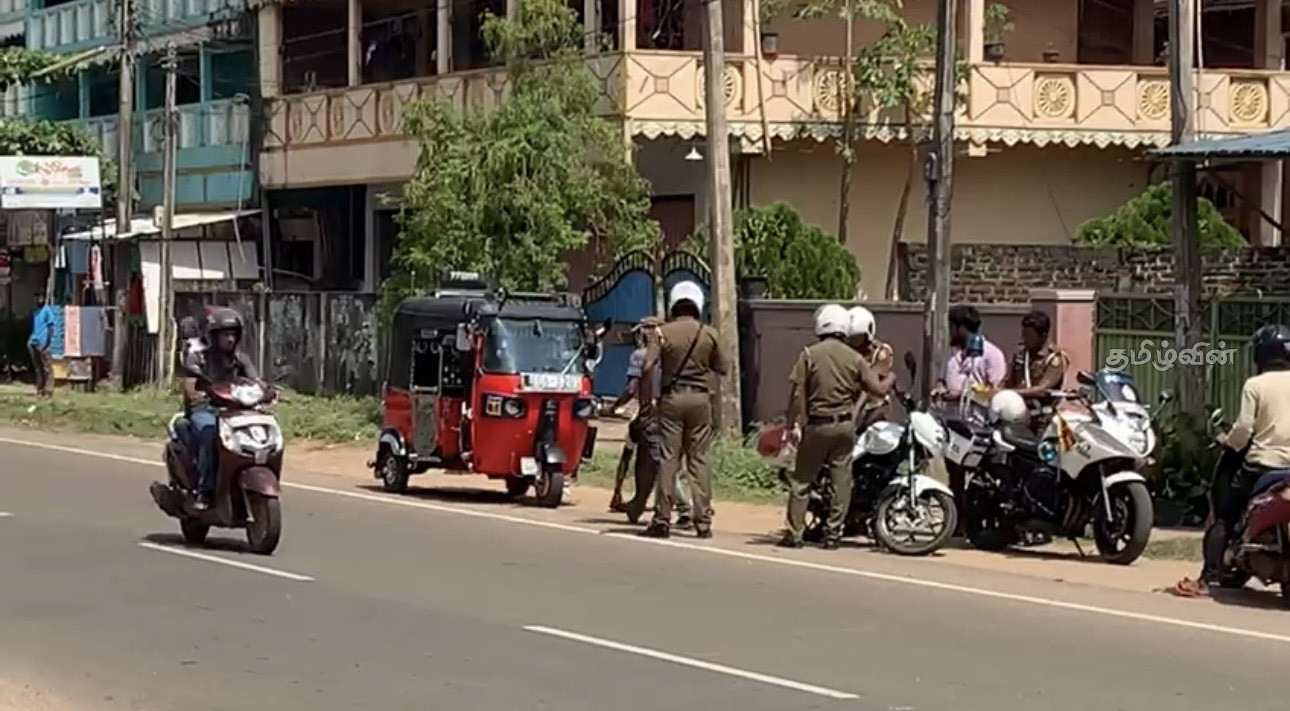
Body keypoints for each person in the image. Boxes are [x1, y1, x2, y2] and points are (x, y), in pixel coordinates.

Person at [1179, 324, 1290, 594]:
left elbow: (1243, 431)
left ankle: (1208, 578)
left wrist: (1228, 442)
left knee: (1224, 518)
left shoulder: (1255, 385)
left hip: (1263, 464)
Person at [778, 304, 893, 550]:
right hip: (844, 427)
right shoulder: (855, 358)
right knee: (841, 480)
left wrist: (791, 424)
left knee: (802, 481)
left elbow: (797, 395)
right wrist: (891, 379)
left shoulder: (809, 355)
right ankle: (833, 535)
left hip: (817, 426)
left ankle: (794, 534)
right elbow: (877, 389)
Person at [639, 281, 729, 540]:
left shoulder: (662, 333)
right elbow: (723, 368)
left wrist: (647, 398)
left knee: (669, 459)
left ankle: (661, 520)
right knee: (699, 460)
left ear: (674, 304)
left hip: (672, 400)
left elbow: (647, 367)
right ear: (698, 305)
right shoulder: (709, 333)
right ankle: (703, 522)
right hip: (700, 400)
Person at [608, 318, 694, 525]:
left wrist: (613, 407)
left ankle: (678, 508)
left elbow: (632, 388)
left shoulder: (640, 356)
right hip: (677, 411)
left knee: (649, 462)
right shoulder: (676, 354)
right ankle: (648, 505)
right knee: (670, 460)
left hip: (650, 416)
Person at [181, 308, 259, 510]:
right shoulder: (198, 359)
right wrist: (199, 393)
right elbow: (190, 386)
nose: (230, 339)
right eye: (225, 334)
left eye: (233, 334)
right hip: (205, 410)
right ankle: (205, 491)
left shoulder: (241, 360)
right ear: (213, 336)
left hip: (234, 410)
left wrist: (266, 391)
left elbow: (256, 381)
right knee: (209, 434)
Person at [1003, 310, 1070, 435]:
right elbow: (1007, 382)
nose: (1024, 339)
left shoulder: (1054, 359)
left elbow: (1041, 390)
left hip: (1043, 421)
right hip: (1017, 418)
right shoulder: (1020, 357)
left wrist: (1008, 393)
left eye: (1029, 336)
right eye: (1024, 334)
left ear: (1043, 336)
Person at [846, 306, 896, 431]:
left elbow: (869, 388)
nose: (853, 342)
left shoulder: (881, 352)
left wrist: (855, 415)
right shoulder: (847, 352)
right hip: (849, 405)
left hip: (874, 408)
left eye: (857, 337)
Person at [27, 291, 54, 398]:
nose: (38, 300)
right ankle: (40, 389)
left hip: (43, 343)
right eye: (36, 298)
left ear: (43, 298)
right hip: (34, 342)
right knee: (38, 368)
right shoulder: (36, 312)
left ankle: (48, 391)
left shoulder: (47, 310)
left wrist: (47, 343)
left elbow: (51, 327)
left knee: (47, 368)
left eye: (40, 297)